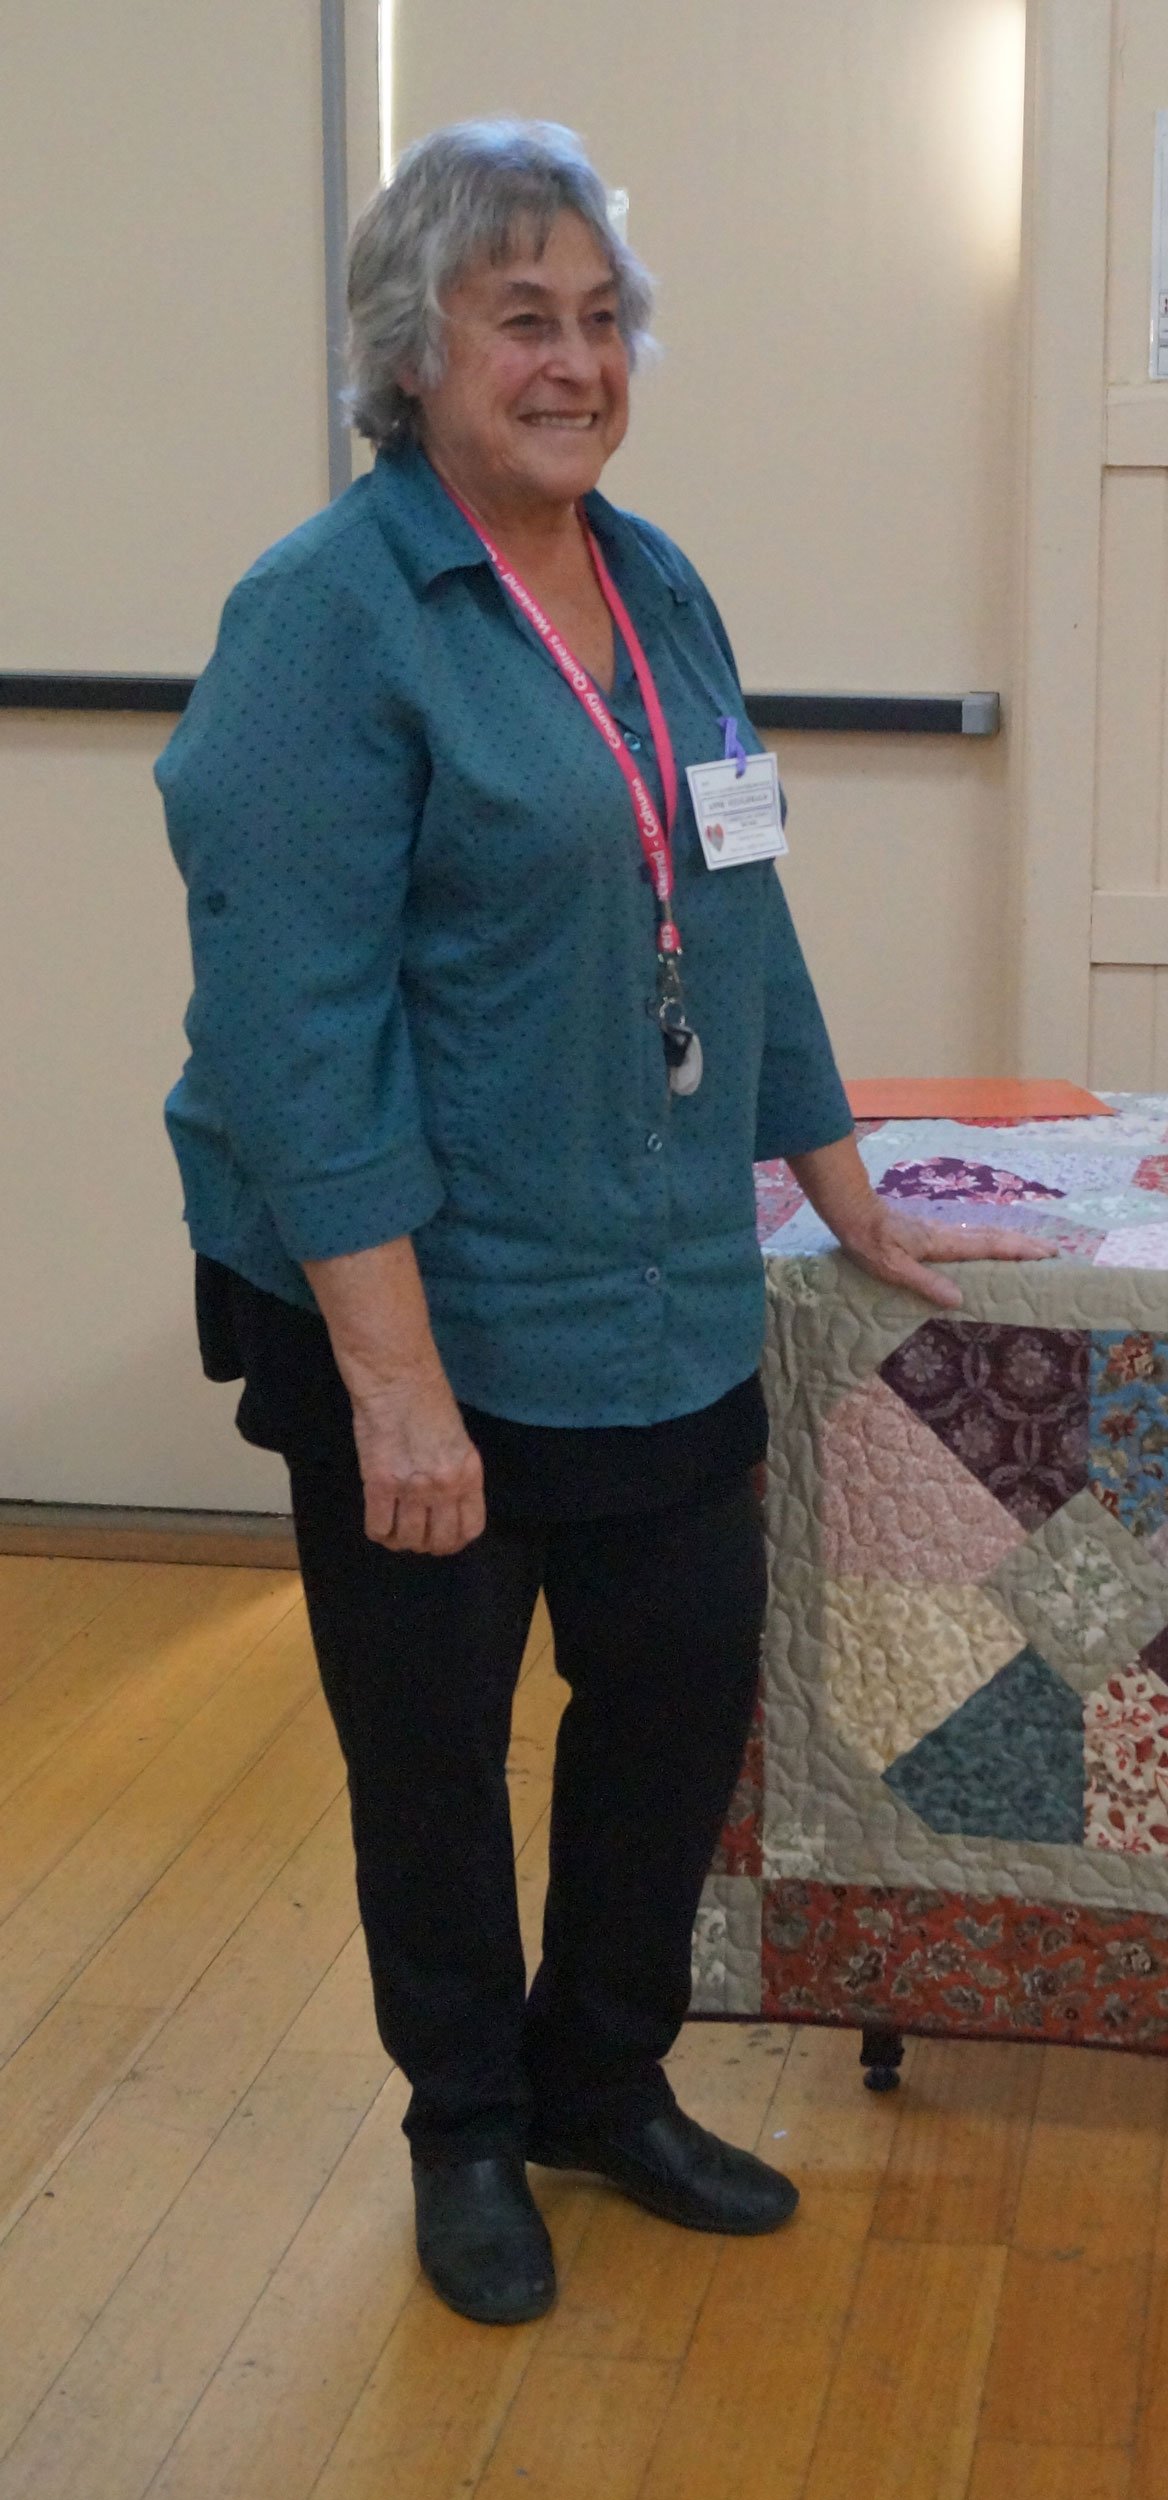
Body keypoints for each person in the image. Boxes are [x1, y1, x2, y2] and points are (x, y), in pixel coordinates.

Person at [157, 118, 1050, 2326]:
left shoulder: (653, 588)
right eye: (519, 321)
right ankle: (466, 2125)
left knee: (671, 1700)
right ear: (413, 351)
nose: (573, 362)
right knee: (432, 1756)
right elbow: (292, 1039)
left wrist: (844, 1183)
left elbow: (734, 905)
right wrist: (392, 1384)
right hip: (420, 1309)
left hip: (657, 1285)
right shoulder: (325, 619)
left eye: (598, 319)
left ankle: (601, 2080)